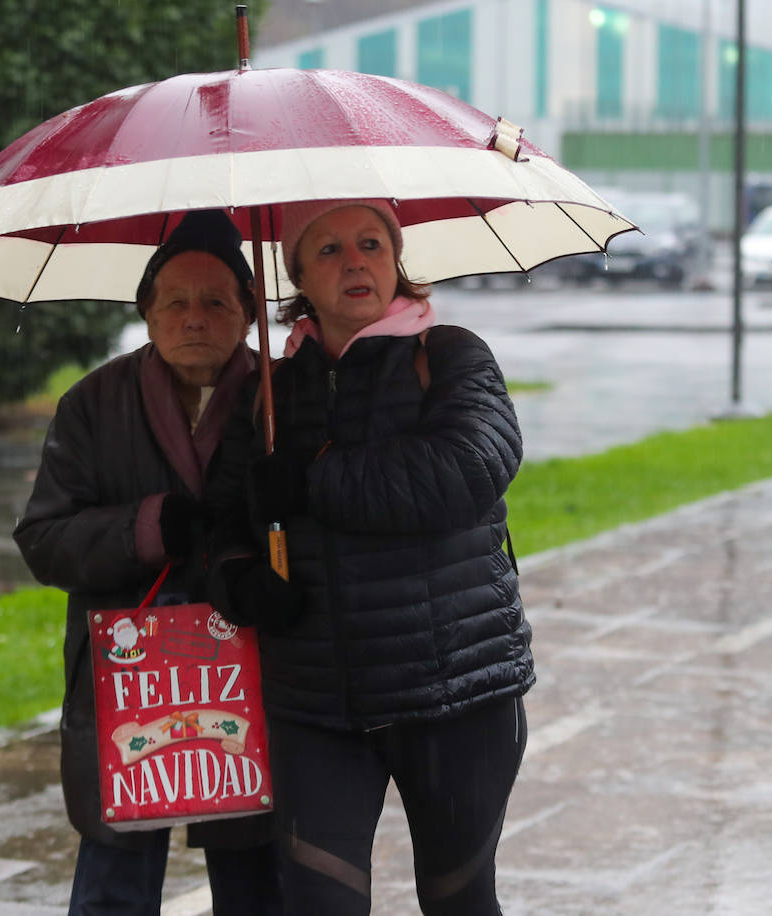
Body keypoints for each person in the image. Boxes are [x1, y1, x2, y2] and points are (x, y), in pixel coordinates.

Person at [206, 198, 534, 916]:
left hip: (456, 694)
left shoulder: (447, 355)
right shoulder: (268, 393)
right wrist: (239, 579)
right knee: (320, 906)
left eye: (371, 244)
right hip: (317, 704)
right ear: (295, 273)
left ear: (396, 260)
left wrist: (315, 479)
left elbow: (466, 469)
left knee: (459, 901)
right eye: (327, 250)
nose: (355, 261)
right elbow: (223, 519)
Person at [13, 210, 281, 916]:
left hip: (250, 675)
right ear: (148, 314)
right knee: (115, 882)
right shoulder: (93, 405)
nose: (195, 318)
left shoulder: (284, 399)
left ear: (250, 314)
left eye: (217, 301)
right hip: (129, 683)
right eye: (177, 302)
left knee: (257, 874)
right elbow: (44, 538)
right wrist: (150, 526)